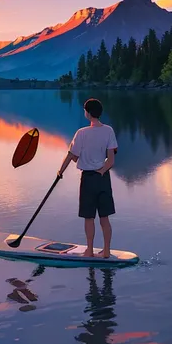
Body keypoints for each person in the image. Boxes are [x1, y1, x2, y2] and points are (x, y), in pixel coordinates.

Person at [57, 98, 118, 258]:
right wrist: (102, 171)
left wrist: (60, 172)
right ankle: (106, 251)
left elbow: (71, 156)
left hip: (88, 179)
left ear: (89, 113)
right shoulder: (109, 131)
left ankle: (89, 251)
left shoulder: (81, 133)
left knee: (89, 217)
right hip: (103, 178)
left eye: (85, 110)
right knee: (104, 217)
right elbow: (111, 160)